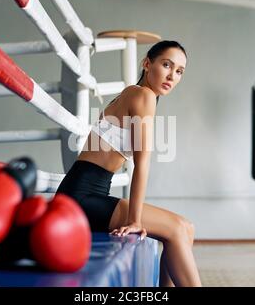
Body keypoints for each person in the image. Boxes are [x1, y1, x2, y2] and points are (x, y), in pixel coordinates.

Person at [56, 40, 202, 287]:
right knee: (178, 229)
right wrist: (134, 220)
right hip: (81, 197)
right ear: (147, 63)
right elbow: (143, 163)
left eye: (179, 71)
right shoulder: (142, 95)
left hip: (87, 193)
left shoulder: (138, 95)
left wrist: (135, 217)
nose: (172, 76)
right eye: (166, 65)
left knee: (186, 228)